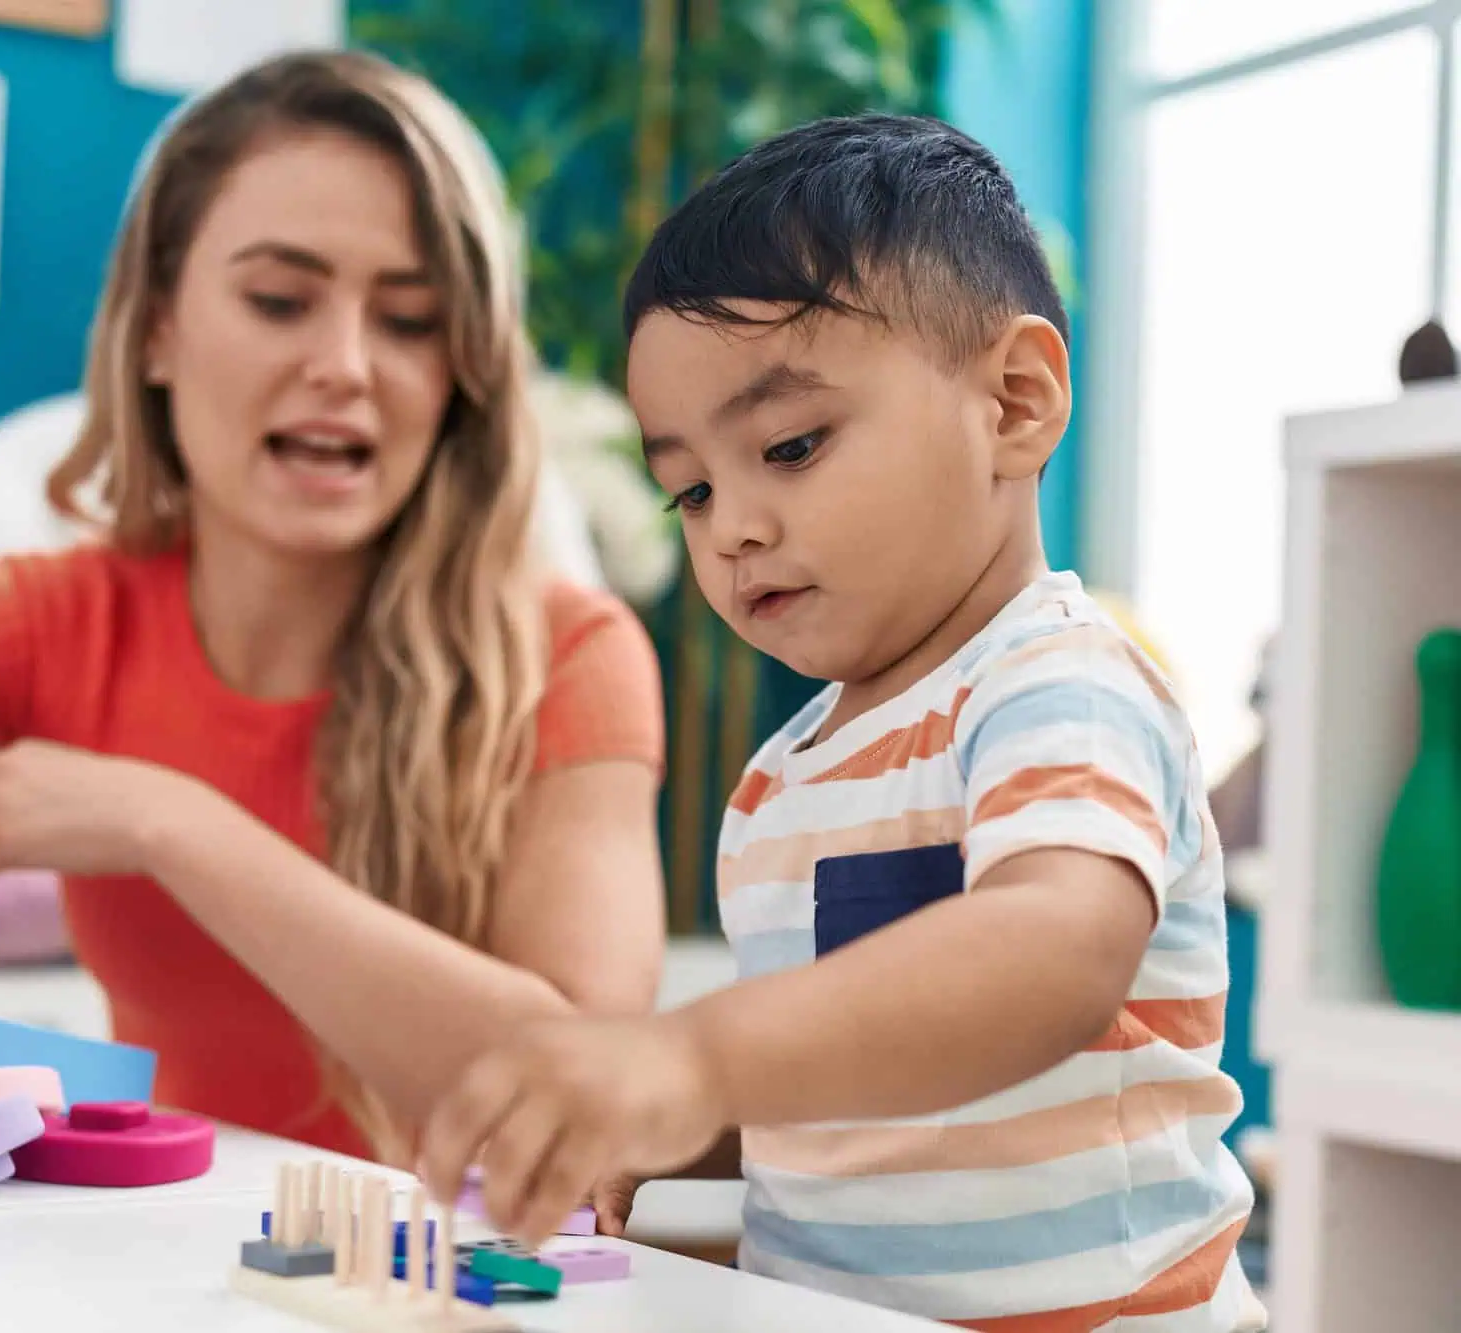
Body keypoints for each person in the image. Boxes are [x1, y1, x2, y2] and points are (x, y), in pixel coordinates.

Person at [0, 50, 669, 1166]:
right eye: (278, 301)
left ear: (463, 369)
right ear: (157, 325)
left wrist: (171, 824)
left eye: (409, 319)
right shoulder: (39, 618)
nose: (346, 364)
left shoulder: (571, 654)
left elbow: (587, 1084)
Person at [419, 114, 1259, 1331]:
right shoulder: (782, 778)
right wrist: (674, 1123)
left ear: (1014, 404)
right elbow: (849, 1110)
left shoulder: (1056, 683)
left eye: (790, 446)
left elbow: (1053, 953)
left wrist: (691, 1054)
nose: (732, 527)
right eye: (691, 491)